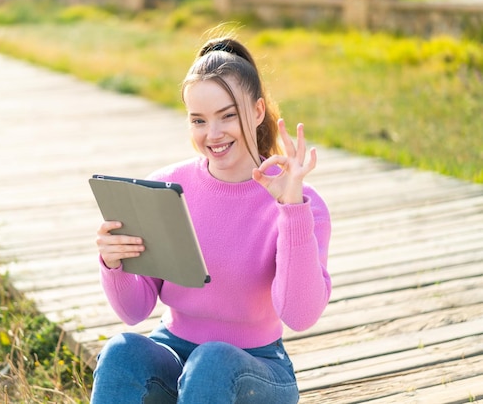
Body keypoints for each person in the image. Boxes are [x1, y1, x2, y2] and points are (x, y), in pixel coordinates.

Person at [91, 35, 332, 404]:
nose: (213, 134)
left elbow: (300, 315)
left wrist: (291, 209)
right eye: (199, 120)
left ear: (257, 112)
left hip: (258, 367)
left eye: (228, 115)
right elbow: (134, 311)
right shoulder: (166, 187)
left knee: (212, 362)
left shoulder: (303, 205)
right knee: (121, 352)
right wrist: (114, 264)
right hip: (173, 353)